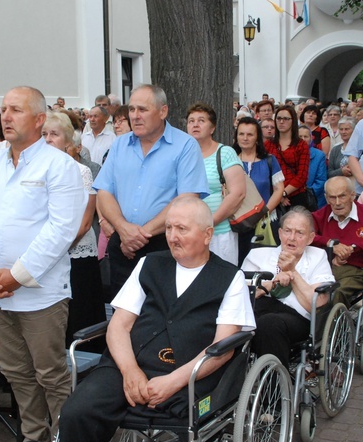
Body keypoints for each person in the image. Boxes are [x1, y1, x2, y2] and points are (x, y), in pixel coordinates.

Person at [52, 196, 255, 442]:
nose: (172, 236)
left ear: (207, 234)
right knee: (76, 413)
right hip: (129, 365)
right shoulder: (149, 264)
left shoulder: (231, 278)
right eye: (170, 227)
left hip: (190, 375)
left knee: (187, 406)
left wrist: (173, 381)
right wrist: (130, 370)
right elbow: (119, 325)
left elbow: (222, 348)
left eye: (182, 229)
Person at [0, 86, 87, 442]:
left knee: (50, 374)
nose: (6, 116)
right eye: (3, 109)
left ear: (38, 120)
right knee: (17, 373)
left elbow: (61, 230)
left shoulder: (58, 165)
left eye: (16, 110)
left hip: (40, 294)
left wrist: (17, 275)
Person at [93, 84, 208, 297]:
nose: (135, 116)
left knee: (160, 315)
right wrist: (123, 229)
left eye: (142, 110)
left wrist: (138, 235)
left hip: (165, 244)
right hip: (123, 244)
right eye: (132, 109)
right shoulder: (119, 146)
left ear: (163, 111)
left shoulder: (185, 146)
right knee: (123, 315)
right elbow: (104, 191)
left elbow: (187, 199)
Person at [42, 111, 106, 345]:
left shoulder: (81, 171)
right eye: (44, 134)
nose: (48, 139)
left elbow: (85, 222)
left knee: (79, 317)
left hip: (75, 255)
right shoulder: (37, 171)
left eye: (54, 134)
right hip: (46, 256)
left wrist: (54, 249)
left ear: (68, 141)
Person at [242, 207, 334, 367]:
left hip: (297, 318)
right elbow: (240, 295)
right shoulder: (257, 256)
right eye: (287, 231)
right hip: (258, 310)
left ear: (310, 238)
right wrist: (271, 284)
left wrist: (293, 273)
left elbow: (316, 303)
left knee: (269, 324)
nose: (292, 238)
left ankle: (274, 387)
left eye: (300, 233)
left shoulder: (318, 257)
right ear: (279, 233)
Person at [311, 177, 363, 307]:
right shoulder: (319, 216)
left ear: (352, 195)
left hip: (357, 271)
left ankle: (323, 326)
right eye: (332, 198)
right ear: (326, 198)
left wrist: (354, 248)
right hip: (325, 267)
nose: (337, 202)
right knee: (308, 289)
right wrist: (330, 243)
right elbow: (304, 236)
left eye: (342, 196)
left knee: (334, 292)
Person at [186, 102, 245, 265]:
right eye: (191, 121)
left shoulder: (225, 153)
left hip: (219, 233)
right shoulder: (182, 157)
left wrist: (208, 224)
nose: (195, 124)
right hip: (188, 234)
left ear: (212, 128)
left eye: (201, 120)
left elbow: (237, 193)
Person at [232, 117, 284, 262]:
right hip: (237, 223)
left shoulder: (269, 160)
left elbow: (279, 189)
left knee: (264, 262)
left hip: (264, 221)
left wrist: (263, 211)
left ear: (257, 138)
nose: (245, 138)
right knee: (239, 261)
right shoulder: (229, 160)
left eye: (250, 134)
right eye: (241, 134)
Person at [266, 105, 311, 209]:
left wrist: (283, 193)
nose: (281, 122)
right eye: (279, 118)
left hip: (296, 196)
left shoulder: (301, 145)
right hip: (272, 196)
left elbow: (302, 176)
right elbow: (265, 173)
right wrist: (278, 195)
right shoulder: (268, 145)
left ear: (293, 121)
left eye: (286, 119)